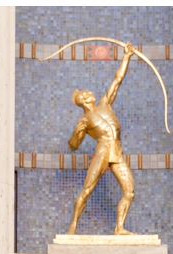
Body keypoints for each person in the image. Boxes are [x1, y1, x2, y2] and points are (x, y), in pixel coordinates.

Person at [65, 43, 138, 235]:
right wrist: (76, 132)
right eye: (84, 93)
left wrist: (126, 57)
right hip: (103, 152)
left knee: (129, 191)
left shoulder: (105, 104)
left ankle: (119, 227)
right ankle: (73, 226)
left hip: (117, 152)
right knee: (87, 190)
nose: (88, 92)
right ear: (82, 100)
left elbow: (117, 79)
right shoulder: (85, 120)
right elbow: (73, 146)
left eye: (87, 92)